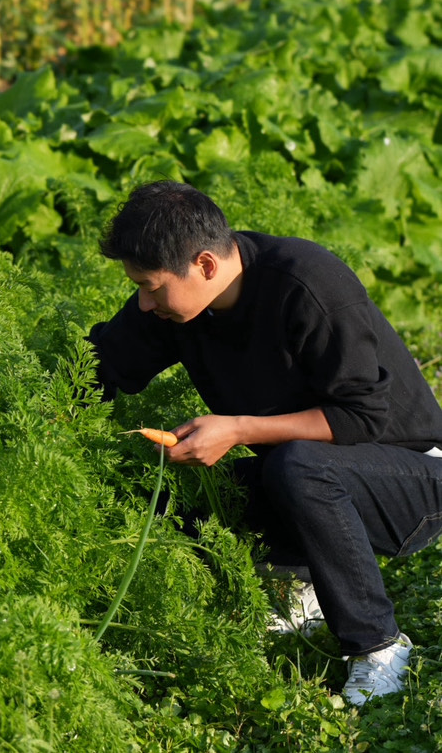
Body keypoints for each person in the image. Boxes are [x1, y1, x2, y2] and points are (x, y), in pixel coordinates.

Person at [86, 180, 442, 705]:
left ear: (205, 264)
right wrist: (36, 409)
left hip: (414, 478)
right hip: (312, 476)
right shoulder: (174, 306)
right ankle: (305, 587)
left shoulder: (307, 283)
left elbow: (362, 417)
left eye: (151, 286)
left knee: (297, 466)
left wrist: (237, 429)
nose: (142, 301)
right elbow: (102, 365)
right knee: (180, 489)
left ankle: (378, 645)